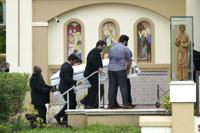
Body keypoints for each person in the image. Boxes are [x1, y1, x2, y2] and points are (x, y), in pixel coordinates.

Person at [54, 54, 82, 127]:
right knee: (71, 104)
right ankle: (64, 119)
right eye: (74, 61)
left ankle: (61, 117)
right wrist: (76, 82)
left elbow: (61, 76)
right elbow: (67, 78)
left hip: (65, 88)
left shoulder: (64, 65)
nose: (74, 63)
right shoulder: (68, 67)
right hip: (66, 88)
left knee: (72, 103)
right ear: (71, 60)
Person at [108, 35, 134, 109]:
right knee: (123, 87)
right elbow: (129, 60)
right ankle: (125, 104)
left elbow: (109, 58)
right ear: (125, 41)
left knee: (112, 88)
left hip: (111, 70)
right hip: (121, 70)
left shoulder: (112, 48)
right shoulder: (125, 49)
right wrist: (128, 69)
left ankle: (111, 104)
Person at [81, 40, 106, 109]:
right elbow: (92, 60)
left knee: (95, 88)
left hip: (92, 73)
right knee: (95, 88)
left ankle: (86, 101)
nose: (103, 49)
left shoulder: (95, 51)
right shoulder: (95, 51)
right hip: (91, 73)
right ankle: (88, 104)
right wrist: (98, 67)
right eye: (103, 47)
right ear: (99, 45)